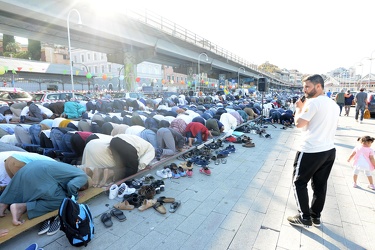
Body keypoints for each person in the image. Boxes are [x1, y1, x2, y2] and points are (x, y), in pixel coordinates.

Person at [287, 74, 339, 227]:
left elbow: (299, 123)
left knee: (299, 182)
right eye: (304, 87)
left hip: (311, 149)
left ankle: (304, 217)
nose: (304, 90)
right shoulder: (333, 104)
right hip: (329, 149)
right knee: (320, 185)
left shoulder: (314, 103)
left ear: (318, 86)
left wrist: (298, 109)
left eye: (307, 87)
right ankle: (315, 216)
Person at [0, 160, 89, 226]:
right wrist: (75, 196)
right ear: (83, 186)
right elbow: (72, 186)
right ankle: (22, 207)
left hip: (31, 166)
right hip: (41, 174)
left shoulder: (71, 169)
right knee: (64, 201)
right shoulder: (83, 176)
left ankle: (2, 205)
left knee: (17, 184)